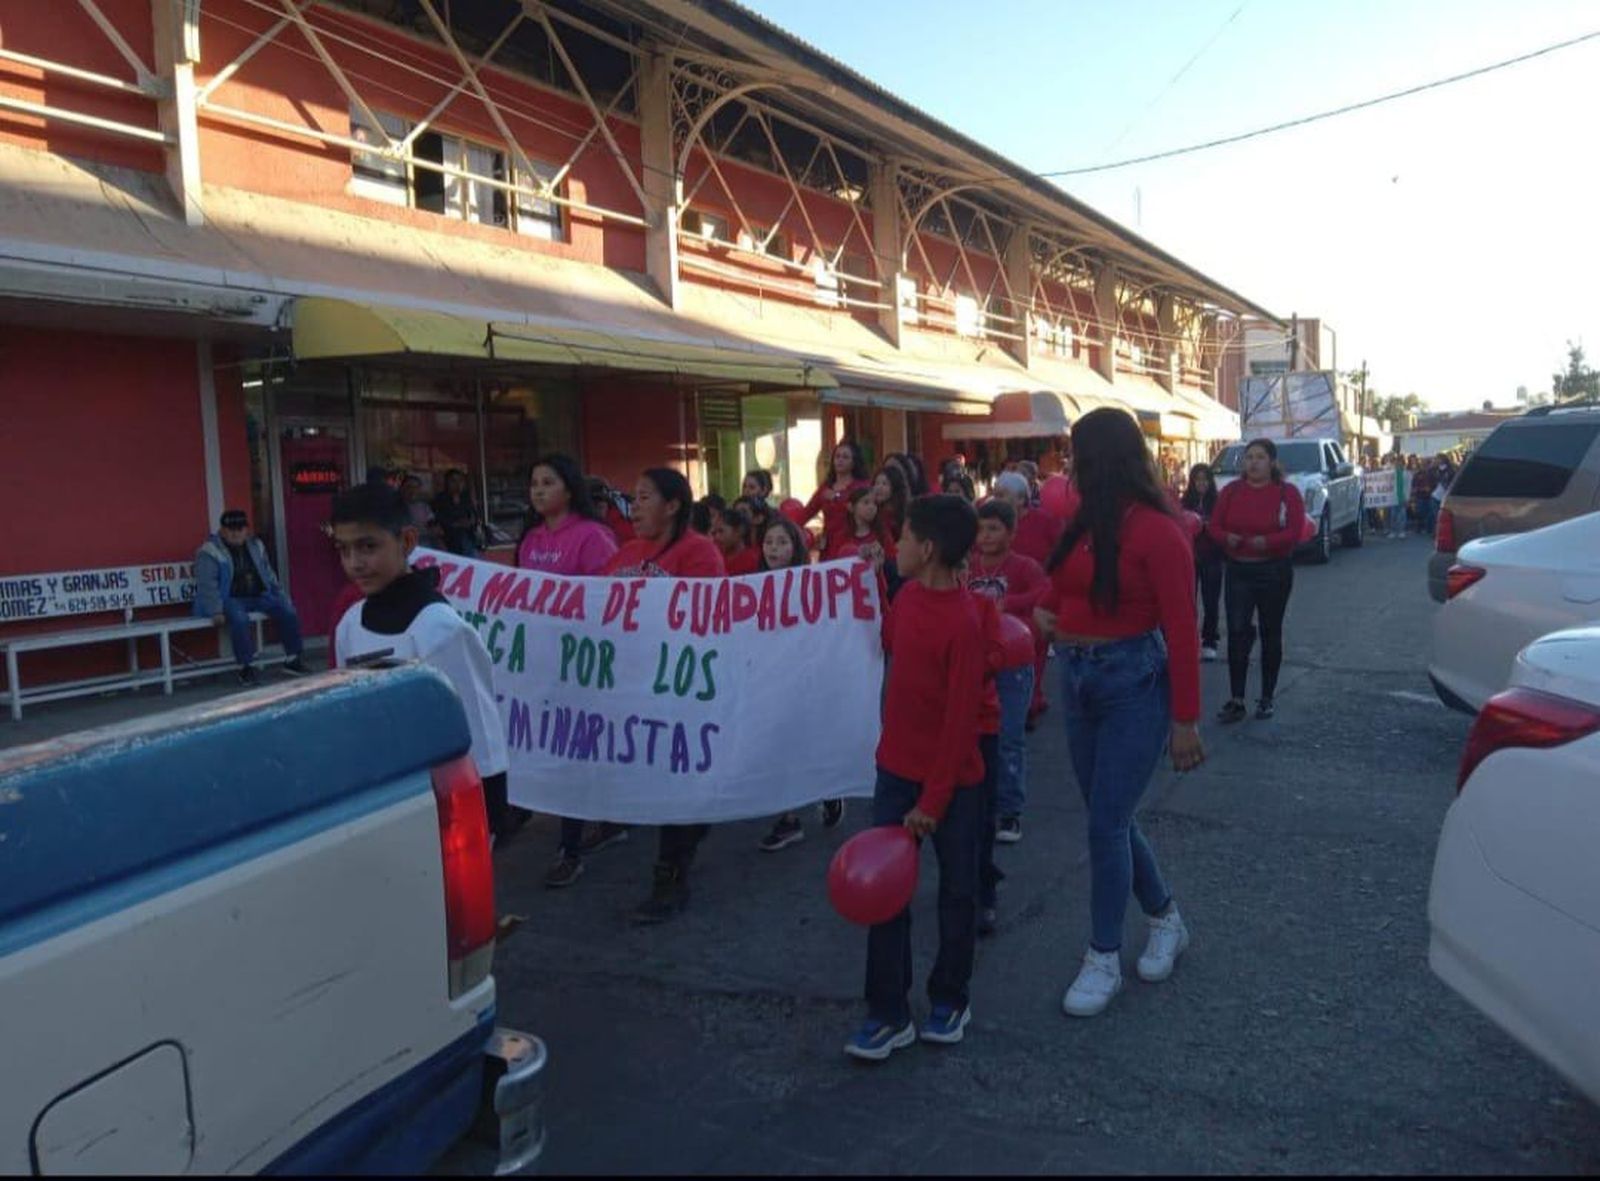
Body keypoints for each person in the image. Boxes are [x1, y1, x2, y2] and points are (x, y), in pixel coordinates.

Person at [1035, 408, 1204, 1019]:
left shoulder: (1159, 531)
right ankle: (1165, 918)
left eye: (1075, 452)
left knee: (1106, 822)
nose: (1067, 463)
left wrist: (1186, 720)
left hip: (1135, 684)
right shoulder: (1086, 520)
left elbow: (1184, 630)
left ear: (1099, 456)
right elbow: (1060, 588)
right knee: (1112, 817)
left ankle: (1102, 954)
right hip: (1078, 679)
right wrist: (1044, 615)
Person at [846, 494, 986, 1061]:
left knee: (956, 893)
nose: (894, 546)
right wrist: (860, 586)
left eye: (901, 538)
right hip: (894, 774)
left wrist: (933, 799)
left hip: (953, 785)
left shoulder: (968, 621)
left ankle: (950, 997)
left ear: (926, 549)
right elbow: (887, 643)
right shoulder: (904, 599)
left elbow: (959, 725)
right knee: (886, 897)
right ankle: (887, 1011)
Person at [329, 484, 509, 842]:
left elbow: (478, 727)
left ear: (407, 541)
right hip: (377, 796)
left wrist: (487, 818)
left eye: (368, 546)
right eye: (344, 549)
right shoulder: (351, 621)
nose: (355, 563)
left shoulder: (438, 627)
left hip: (436, 805)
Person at [602, 468, 727, 923]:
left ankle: (670, 875)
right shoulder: (626, 553)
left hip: (681, 689)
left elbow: (705, 621)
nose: (633, 507)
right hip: (634, 688)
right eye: (632, 498)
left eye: (643, 497)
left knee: (677, 784)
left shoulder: (700, 553)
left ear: (673, 505)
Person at [519, 454, 626, 887]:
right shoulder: (529, 539)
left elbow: (608, 599)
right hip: (541, 661)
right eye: (534, 483)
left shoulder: (594, 537)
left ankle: (571, 846)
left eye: (548, 482)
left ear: (569, 488)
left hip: (583, 663)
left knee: (576, 747)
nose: (538, 490)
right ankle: (607, 819)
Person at [756, 516, 847, 852]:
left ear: (796, 547)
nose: (774, 549)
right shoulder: (750, 587)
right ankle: (789, 819)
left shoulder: (810, 583)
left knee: (802, 743)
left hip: (803, 680)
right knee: (777, 748)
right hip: (768, 680)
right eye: (768, 542)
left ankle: (825, 790)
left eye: (782, 542)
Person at [964, 498, 1045, 845]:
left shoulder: (1024, 567)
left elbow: (1044, 593)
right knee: (975, 736)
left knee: (1009, 738)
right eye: (981, 529)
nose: (986, 536)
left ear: (1011, 533)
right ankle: (978, 802)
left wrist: (1007, 605)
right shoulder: (967, 567)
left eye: (994, 528)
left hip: (1014, 664)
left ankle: (1009, 810)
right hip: (976, 662)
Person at [1207, 438, 1306, 723]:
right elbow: (1214, 526)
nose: (1253, 462)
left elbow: (1295, 530)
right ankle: (1236, 699)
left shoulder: (1287, 493)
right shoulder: (1231, 491)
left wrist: (1268, 541)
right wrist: (1227, 538)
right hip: (1239, 569)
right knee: (1237, 632)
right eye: (1249, 457)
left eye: (1260, 457)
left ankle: (1266, 698)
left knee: (1270, 631)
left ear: (1272, 462)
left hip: (1274, 571)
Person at [193, 509, 308, 685]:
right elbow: (207, 584)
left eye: (240, 528)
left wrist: (282, 596)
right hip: (229, 598)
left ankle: (293, 659)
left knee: (288, 611)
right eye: (231, 528)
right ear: (222, 530)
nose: (236, 532)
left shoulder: (256, 546)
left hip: (258, 595)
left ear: (246, 530)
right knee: (239, 619)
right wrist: (215, 610)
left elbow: (269, 575)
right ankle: (245, 667)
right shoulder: (209, 551)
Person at [991, 471, 1059, 727]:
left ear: (1021, 499)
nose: (996, 498)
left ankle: (1030, 700)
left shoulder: (1045, 521)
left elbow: (1059, 553)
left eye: (1002, 494)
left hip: (1036, 597)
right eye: (995, 493)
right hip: (998, 598)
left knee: (1034, 652)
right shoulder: (989, 522)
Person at [801, 440, 871, 559]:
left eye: (845, 457)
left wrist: (838, 497)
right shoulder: (826, 488)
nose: (840, 460)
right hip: (829, 546)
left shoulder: (863, 486)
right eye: (837, 456)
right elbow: (806, 513)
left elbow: (868, 513)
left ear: (854, 462)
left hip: (855, 544)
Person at [1181, 464, 1223, 662]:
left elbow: (1222, 526)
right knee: (1189, 600)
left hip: (1212, 557)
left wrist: (1208, 525)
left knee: (1211, 600)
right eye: (1197, 479)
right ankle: (1191, 639)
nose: (1201, 483)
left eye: (1205, 479)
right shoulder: (1185, 501)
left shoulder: (1217, 502)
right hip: (1190, 556)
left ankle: (1210, 640)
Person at [432, 469, 482, 557]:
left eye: (460, 480)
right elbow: (437, 519)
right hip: (448, 541)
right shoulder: (440, 499)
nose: (457, 484)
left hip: (468, 538)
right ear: (447, 482)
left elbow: (474, 515)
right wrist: (456, 524)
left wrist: (471, 521)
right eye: (453, 481)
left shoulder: (466, 498)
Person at [710, 502, 761, 576]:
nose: (716, 537)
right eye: (714, 533)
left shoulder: (753, 560)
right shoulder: (714, 558)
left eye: (721, 531)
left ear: (739, 531)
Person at [1388, 453, 1411, 539]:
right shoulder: (1391, 473)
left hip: (1403, 496)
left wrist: (1408, 498)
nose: (1399, 464)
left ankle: (1401, 531)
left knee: (1402, 515)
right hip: (1393, 496)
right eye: (1397, 462)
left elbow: (1408, 486)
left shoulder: (1407, 474)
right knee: (1393, 514)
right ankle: (1393, 531)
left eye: (1401, 462)